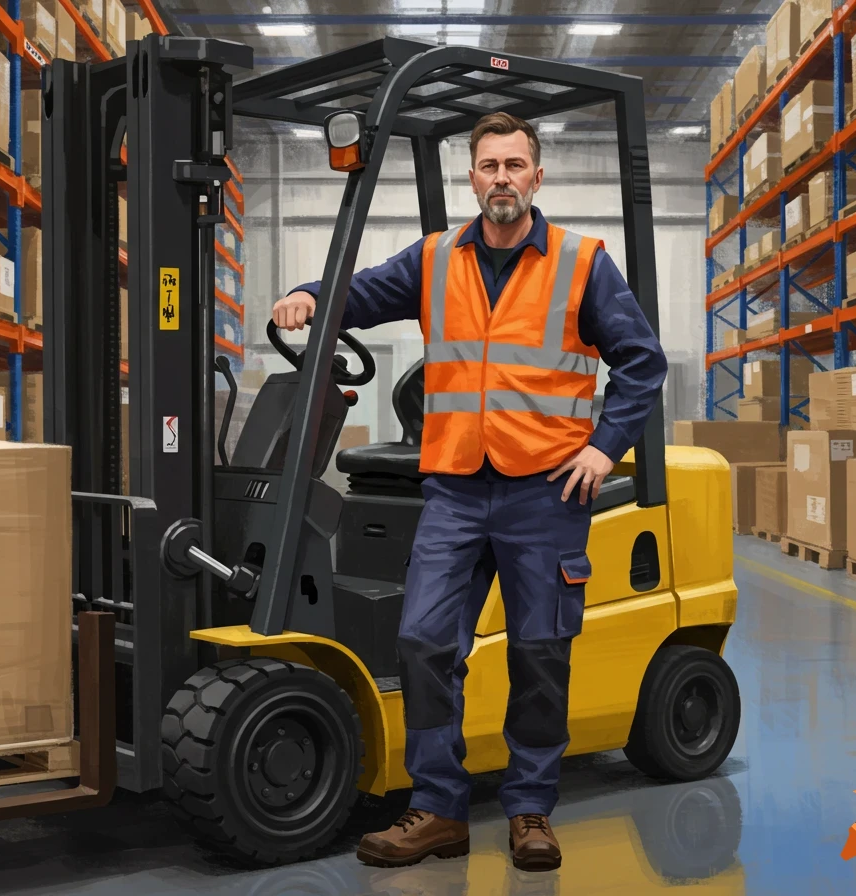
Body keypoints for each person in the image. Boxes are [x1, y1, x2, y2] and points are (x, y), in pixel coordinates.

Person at [271, 111, 667, 873]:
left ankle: (530, 810)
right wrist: (307, 294)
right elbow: (359, 292)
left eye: (515, 165)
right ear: (472, 178)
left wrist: (602, 448)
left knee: (540, 652)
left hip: (545, 494)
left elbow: (642, 362)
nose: (502, 180)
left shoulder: (583, 263)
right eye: (489, 166)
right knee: (423, 641)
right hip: (455, 487)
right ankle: (438, 808)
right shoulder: (436, 257)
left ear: (537, 177)